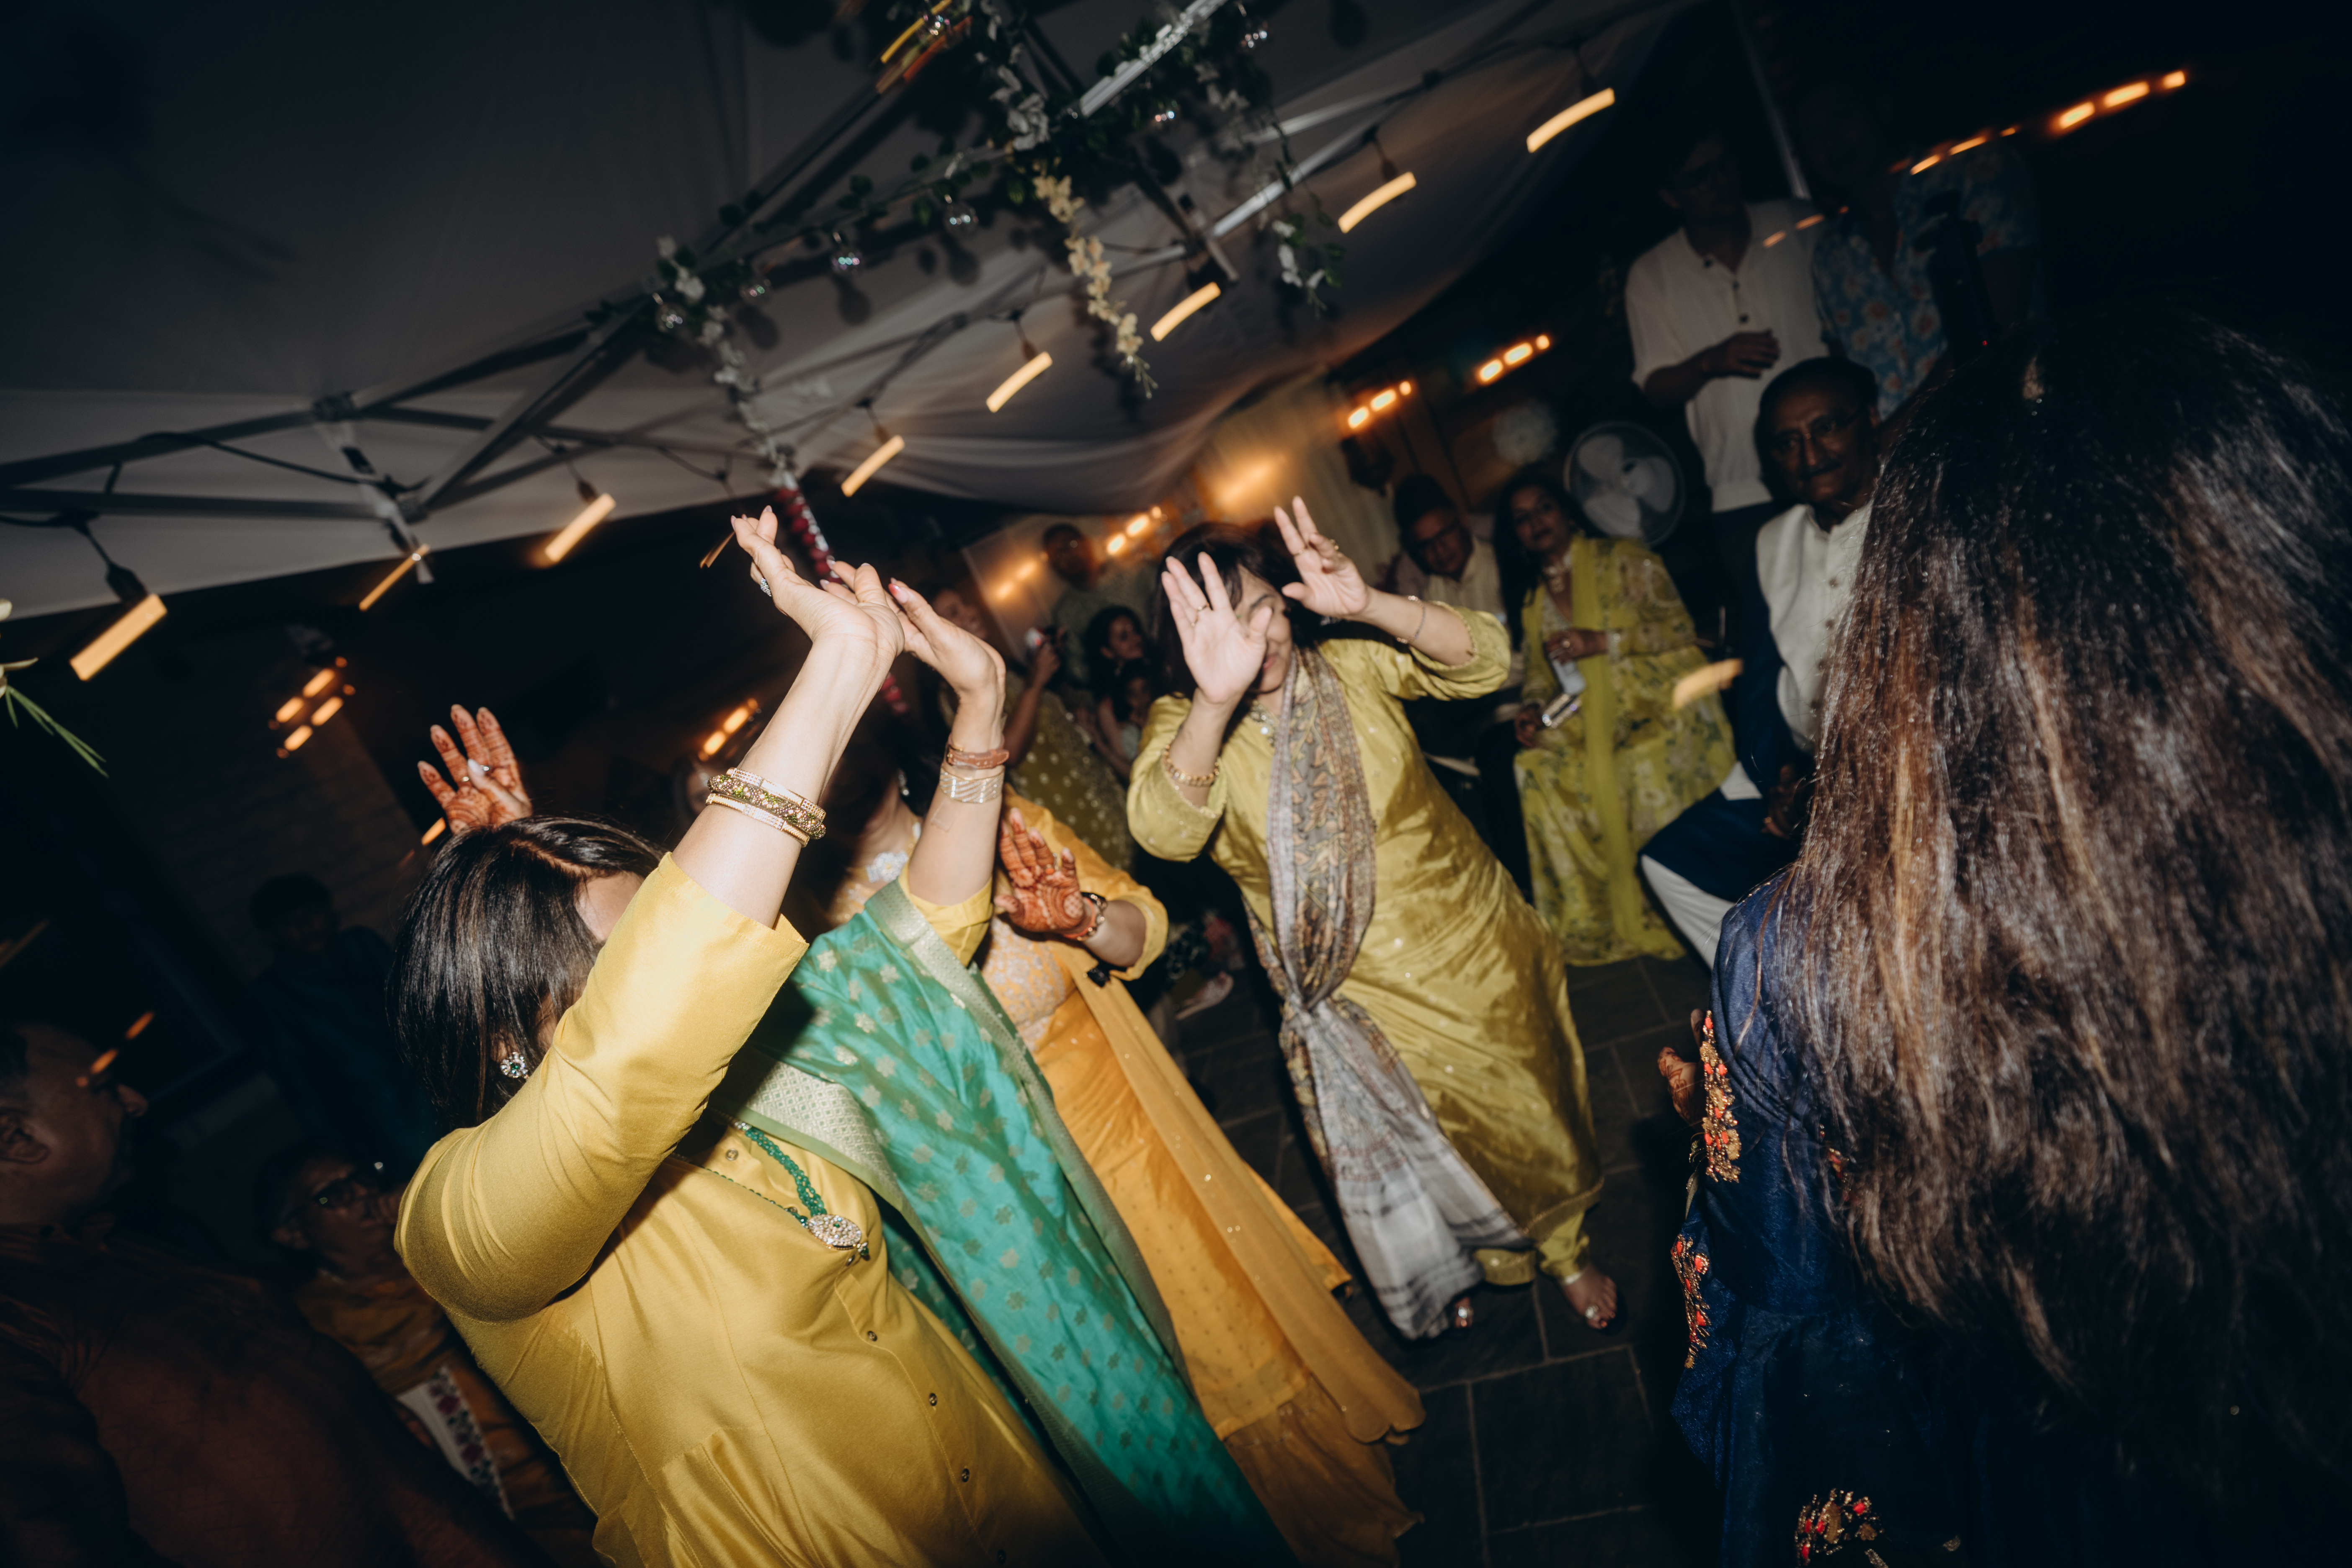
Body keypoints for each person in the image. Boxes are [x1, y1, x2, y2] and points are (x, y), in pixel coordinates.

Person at [1654, 313, 2344, 1563]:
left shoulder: (1799, 955)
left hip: (2059, 1469)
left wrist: (1737, 1113)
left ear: (1909, 610)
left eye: (1831, 432)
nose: (1811, 457)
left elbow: (1781, 1357)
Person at [391, 513, 1113, 1568]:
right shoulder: (457, 1222)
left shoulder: (761, 1081)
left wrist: (980, 710)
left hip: (1015, 1510)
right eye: (625, 954)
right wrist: (837, 668)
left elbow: (921, 937)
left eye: (659, 926)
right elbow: (624, 1059)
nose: (674, 960)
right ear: (510, 1028)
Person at [1131, 505, 1622, 1337]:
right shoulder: (1186, 728)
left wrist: (1371, 606)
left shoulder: (1350, 664)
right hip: (1355, 990)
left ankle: (1563, 1248)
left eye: (1262, 608)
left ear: (1288, 600)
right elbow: (1162, 832)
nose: (1258, 638)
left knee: (1527, 1113)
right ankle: (1468, 1256)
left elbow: (1488, 662)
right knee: (1425, 1137)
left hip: (1474, 941)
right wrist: (1212, 703)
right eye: (1225, 625)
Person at [985, 801, 1425, 1565]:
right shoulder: (811, 924)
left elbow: (1145, 927)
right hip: (1003, 1205)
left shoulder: (1003, 827)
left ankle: (1320, 1527)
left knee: (1223, 1338)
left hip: (1127, 1142)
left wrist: (1082, 919)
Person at [0, 1021, 541, 1566]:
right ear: (15, 1138)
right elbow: (48, 1537)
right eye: (102, 1087)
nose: (136, 1103)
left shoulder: (121, 1249)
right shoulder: (16, 1314)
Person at [1639, 358, 1878, 967]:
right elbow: (1762, 683)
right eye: (1787, 443)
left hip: (1892, 774)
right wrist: (1783, 781)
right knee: (1668, 863)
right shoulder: (1773, 540)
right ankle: (1782, 991)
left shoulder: (1915, 518)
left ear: (1871, 421)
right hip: (1794, 770)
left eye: (1827, 427)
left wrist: (1829, 790)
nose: (1810, 454)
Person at [261, 1145, 599, 1567]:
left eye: (362, 1178)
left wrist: (434, 1208)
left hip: (585, 1450)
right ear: (293, 1234)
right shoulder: (310, 1325)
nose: (363, 1195)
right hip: (497, 1515)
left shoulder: (440, 1246)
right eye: (334, 1196)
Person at [1497, 469, 1733, 964]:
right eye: (1522, 518)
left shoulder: (1623, 558)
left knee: (1639, 761)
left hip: (1660, 698)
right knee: (1534, 767)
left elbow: (1680, 627)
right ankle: (1595, 912)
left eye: (1543, 508)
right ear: (1515, 534)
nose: (1535, 522)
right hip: (1588, 712)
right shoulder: (1534, 600)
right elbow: (1540, 674)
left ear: (1567, 511)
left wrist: (1604, 642)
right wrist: (1533, 710)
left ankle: (1675, 903)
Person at [1625, 124, 1828, 593]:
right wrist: (1708, 362)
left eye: (1724, 166)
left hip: (1837, 465)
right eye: (1701, 177)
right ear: (1671, 196)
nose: (1721, 182)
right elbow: (1654, 388)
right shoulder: (1651, 275)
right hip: (1743, 491)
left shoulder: (1798, 223)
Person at [1798, 76, 2042, 420]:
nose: (1831, 142)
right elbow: (1849, 386)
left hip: (2010, 428)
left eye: (1842, 117)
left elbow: (1999, 322)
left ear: (1882, 109)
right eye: (1813, 134)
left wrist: (1900, 433)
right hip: (1902, 454)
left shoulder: (1976, 174)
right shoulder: (1829, 255)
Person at [246, 872, 441, 1171]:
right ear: (271, 936)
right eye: (289, 923)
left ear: (329, 914)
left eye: (311, 914)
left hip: (426, 1080)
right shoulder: (272, 993)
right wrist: (333, 1146)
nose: (305, 927)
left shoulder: (361, 945)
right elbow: (297, 1079)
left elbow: (416, 1005)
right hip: (373, 1114)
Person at [933, 583, 1135, 868]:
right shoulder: (957, 690)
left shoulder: (999, 668)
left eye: (966, 603)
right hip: (1066, 814)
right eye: (954, 612)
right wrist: (1036, 683)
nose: (970, 612)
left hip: (1097, 794)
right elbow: (1008, 753)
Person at [1045, 523, 1148, 689]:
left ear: (1087, 543)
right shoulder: (1065, 612)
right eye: (1059, 554)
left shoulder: (1132, 572)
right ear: (1053, 565)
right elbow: (1077, 669)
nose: (1068, 555)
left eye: (1072, 544)